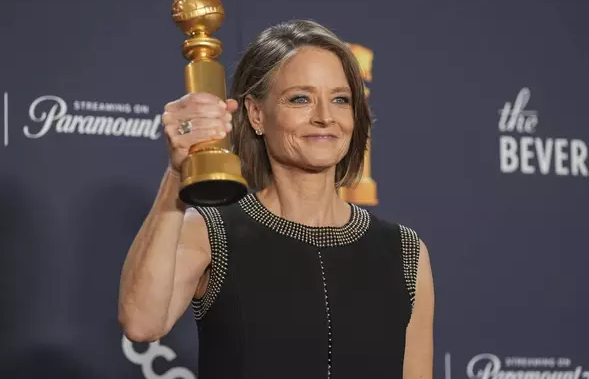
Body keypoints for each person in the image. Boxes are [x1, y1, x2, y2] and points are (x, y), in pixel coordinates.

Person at [118, 19, 435, 379]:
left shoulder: (405, 251)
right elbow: (142, 323)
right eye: (300, 99)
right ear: (256, 114)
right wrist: (179, 174)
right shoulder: (211, 233)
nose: (325, 117)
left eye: (340, 99)